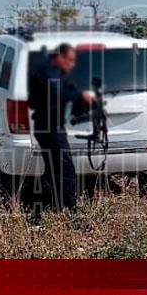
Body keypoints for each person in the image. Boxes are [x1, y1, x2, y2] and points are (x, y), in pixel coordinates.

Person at [27, 43, 95, 225]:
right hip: (48, 128)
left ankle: (36, 211)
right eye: (70, 60)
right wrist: (80, 97)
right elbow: (57, 95)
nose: (72, 65)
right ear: (59, 58)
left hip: (52, 126)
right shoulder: (49, 74)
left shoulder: (56, 75)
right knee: (66, 169)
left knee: (52, 170)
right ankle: (73, 211)